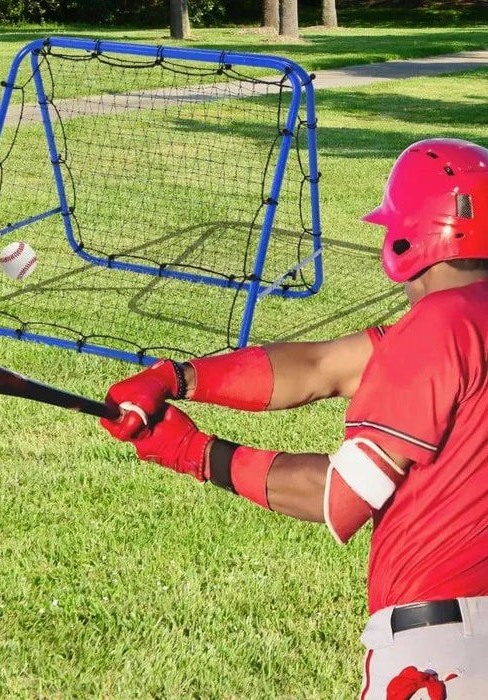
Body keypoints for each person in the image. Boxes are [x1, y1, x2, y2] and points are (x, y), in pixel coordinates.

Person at [99, 138, 488, 699]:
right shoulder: (460, 325)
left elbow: (338, 496)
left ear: (408, 237)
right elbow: (319, 366)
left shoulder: (435, 328)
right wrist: (177, 377)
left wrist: (196, 454)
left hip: (445, 655)